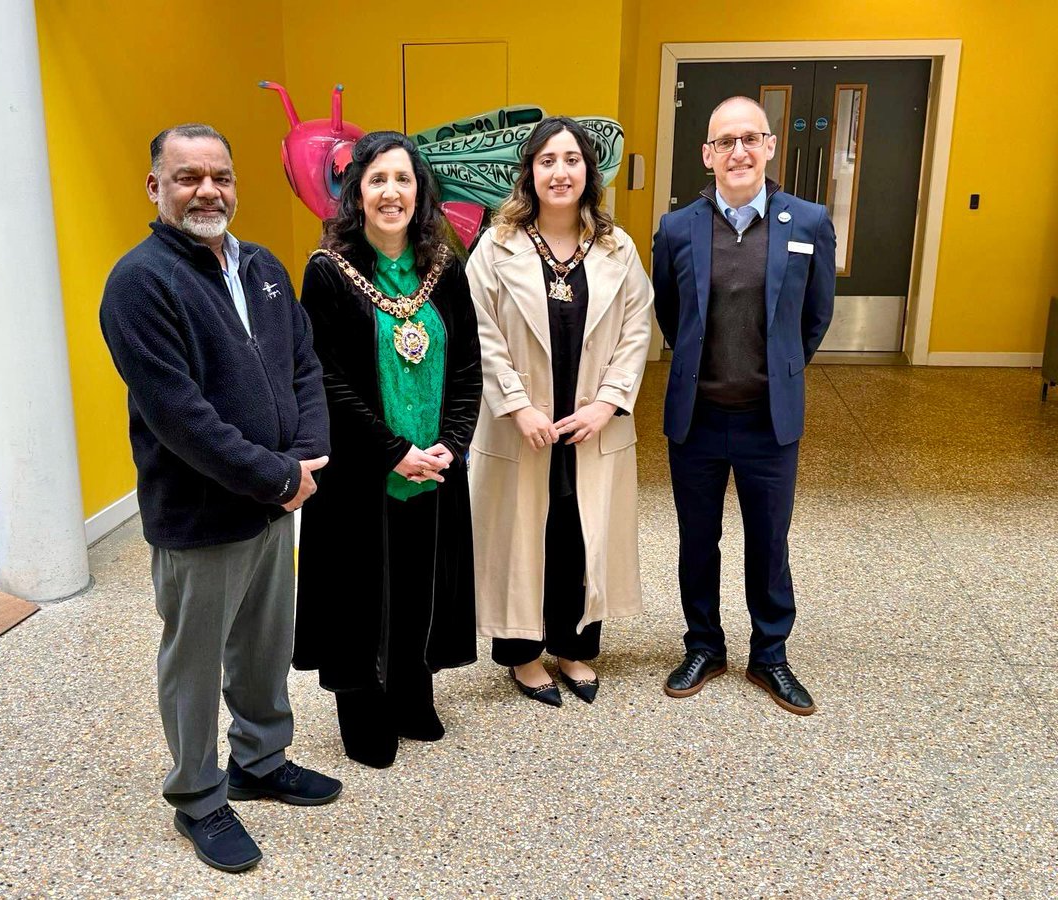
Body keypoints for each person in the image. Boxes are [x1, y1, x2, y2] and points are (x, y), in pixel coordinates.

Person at [99, 123, 341, 874]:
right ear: (156, 188)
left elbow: (305, 366)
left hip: (274, 503)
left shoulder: (263, 266)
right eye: (187, 176)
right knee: (195, 662)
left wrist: (303, 462)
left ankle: (260, 762)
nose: (208, 190)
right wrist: (278, 476)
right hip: (200, 516)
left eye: (220, 176)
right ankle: (199, 796)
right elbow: (179, 415)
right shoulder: (139, 283)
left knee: (265, 648)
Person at [294, 131, 482, 769]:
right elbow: (325, 377)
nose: (391, 192)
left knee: (419, 578)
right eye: (377, 180)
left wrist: (451, 445)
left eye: (403, 180)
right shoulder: (327, 270)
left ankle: (410, 685)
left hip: (435, 468)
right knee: (358, 586)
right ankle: (361, 702)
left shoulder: (445, 267)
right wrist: (394, 451)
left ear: (420, 191)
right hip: (360, 471)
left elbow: (467, 370)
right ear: (356, 193)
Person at [651, 96, 835, 716]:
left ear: (770, 147)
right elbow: (671, 315)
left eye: (750, 139)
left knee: (769, 540)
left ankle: (770, 654)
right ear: (707, 154)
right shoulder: (677, 228)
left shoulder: (808, 222)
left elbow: (814, 318)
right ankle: (704, 644)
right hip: (697, 419)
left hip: (769, 419)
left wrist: (779, 368)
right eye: (725, 141)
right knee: (697, 540)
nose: (738, 151)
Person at [466, 116, 653, 707]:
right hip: (523, 428)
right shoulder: (494, 249)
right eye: (547, 161)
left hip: (590, 426)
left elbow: (637, 329)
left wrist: (608, 403)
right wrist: (517, 407)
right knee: (523, 531)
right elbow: (480, 333)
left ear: (588, 173)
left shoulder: (618, 249)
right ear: (529, 173)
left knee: (578, 529)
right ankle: (522, 656)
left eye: (572, 160)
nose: (560, 171)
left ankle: (574, 648)